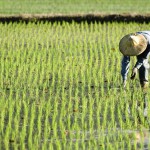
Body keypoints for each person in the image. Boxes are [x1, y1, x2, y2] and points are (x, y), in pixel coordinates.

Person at [119, 31, 150, 118]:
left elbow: (143, 58)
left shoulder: (148, 44)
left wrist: (136, 68)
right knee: (140, 64)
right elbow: (125, 62)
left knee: (143, 65)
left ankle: (144, 84)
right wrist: (124, 79)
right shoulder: (127, 44)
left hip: (148, 43)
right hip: (140, 40)